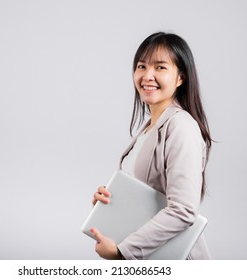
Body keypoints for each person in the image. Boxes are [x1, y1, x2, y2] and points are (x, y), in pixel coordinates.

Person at [91, 32, 213, 260]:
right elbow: (146, 199)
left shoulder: (181, 126)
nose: (147, 76)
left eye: (160, 67)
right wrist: (109, 205)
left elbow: (183, 211)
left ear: (180, 78)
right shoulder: (148, 128)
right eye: (141, 66)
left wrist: (122, 252)